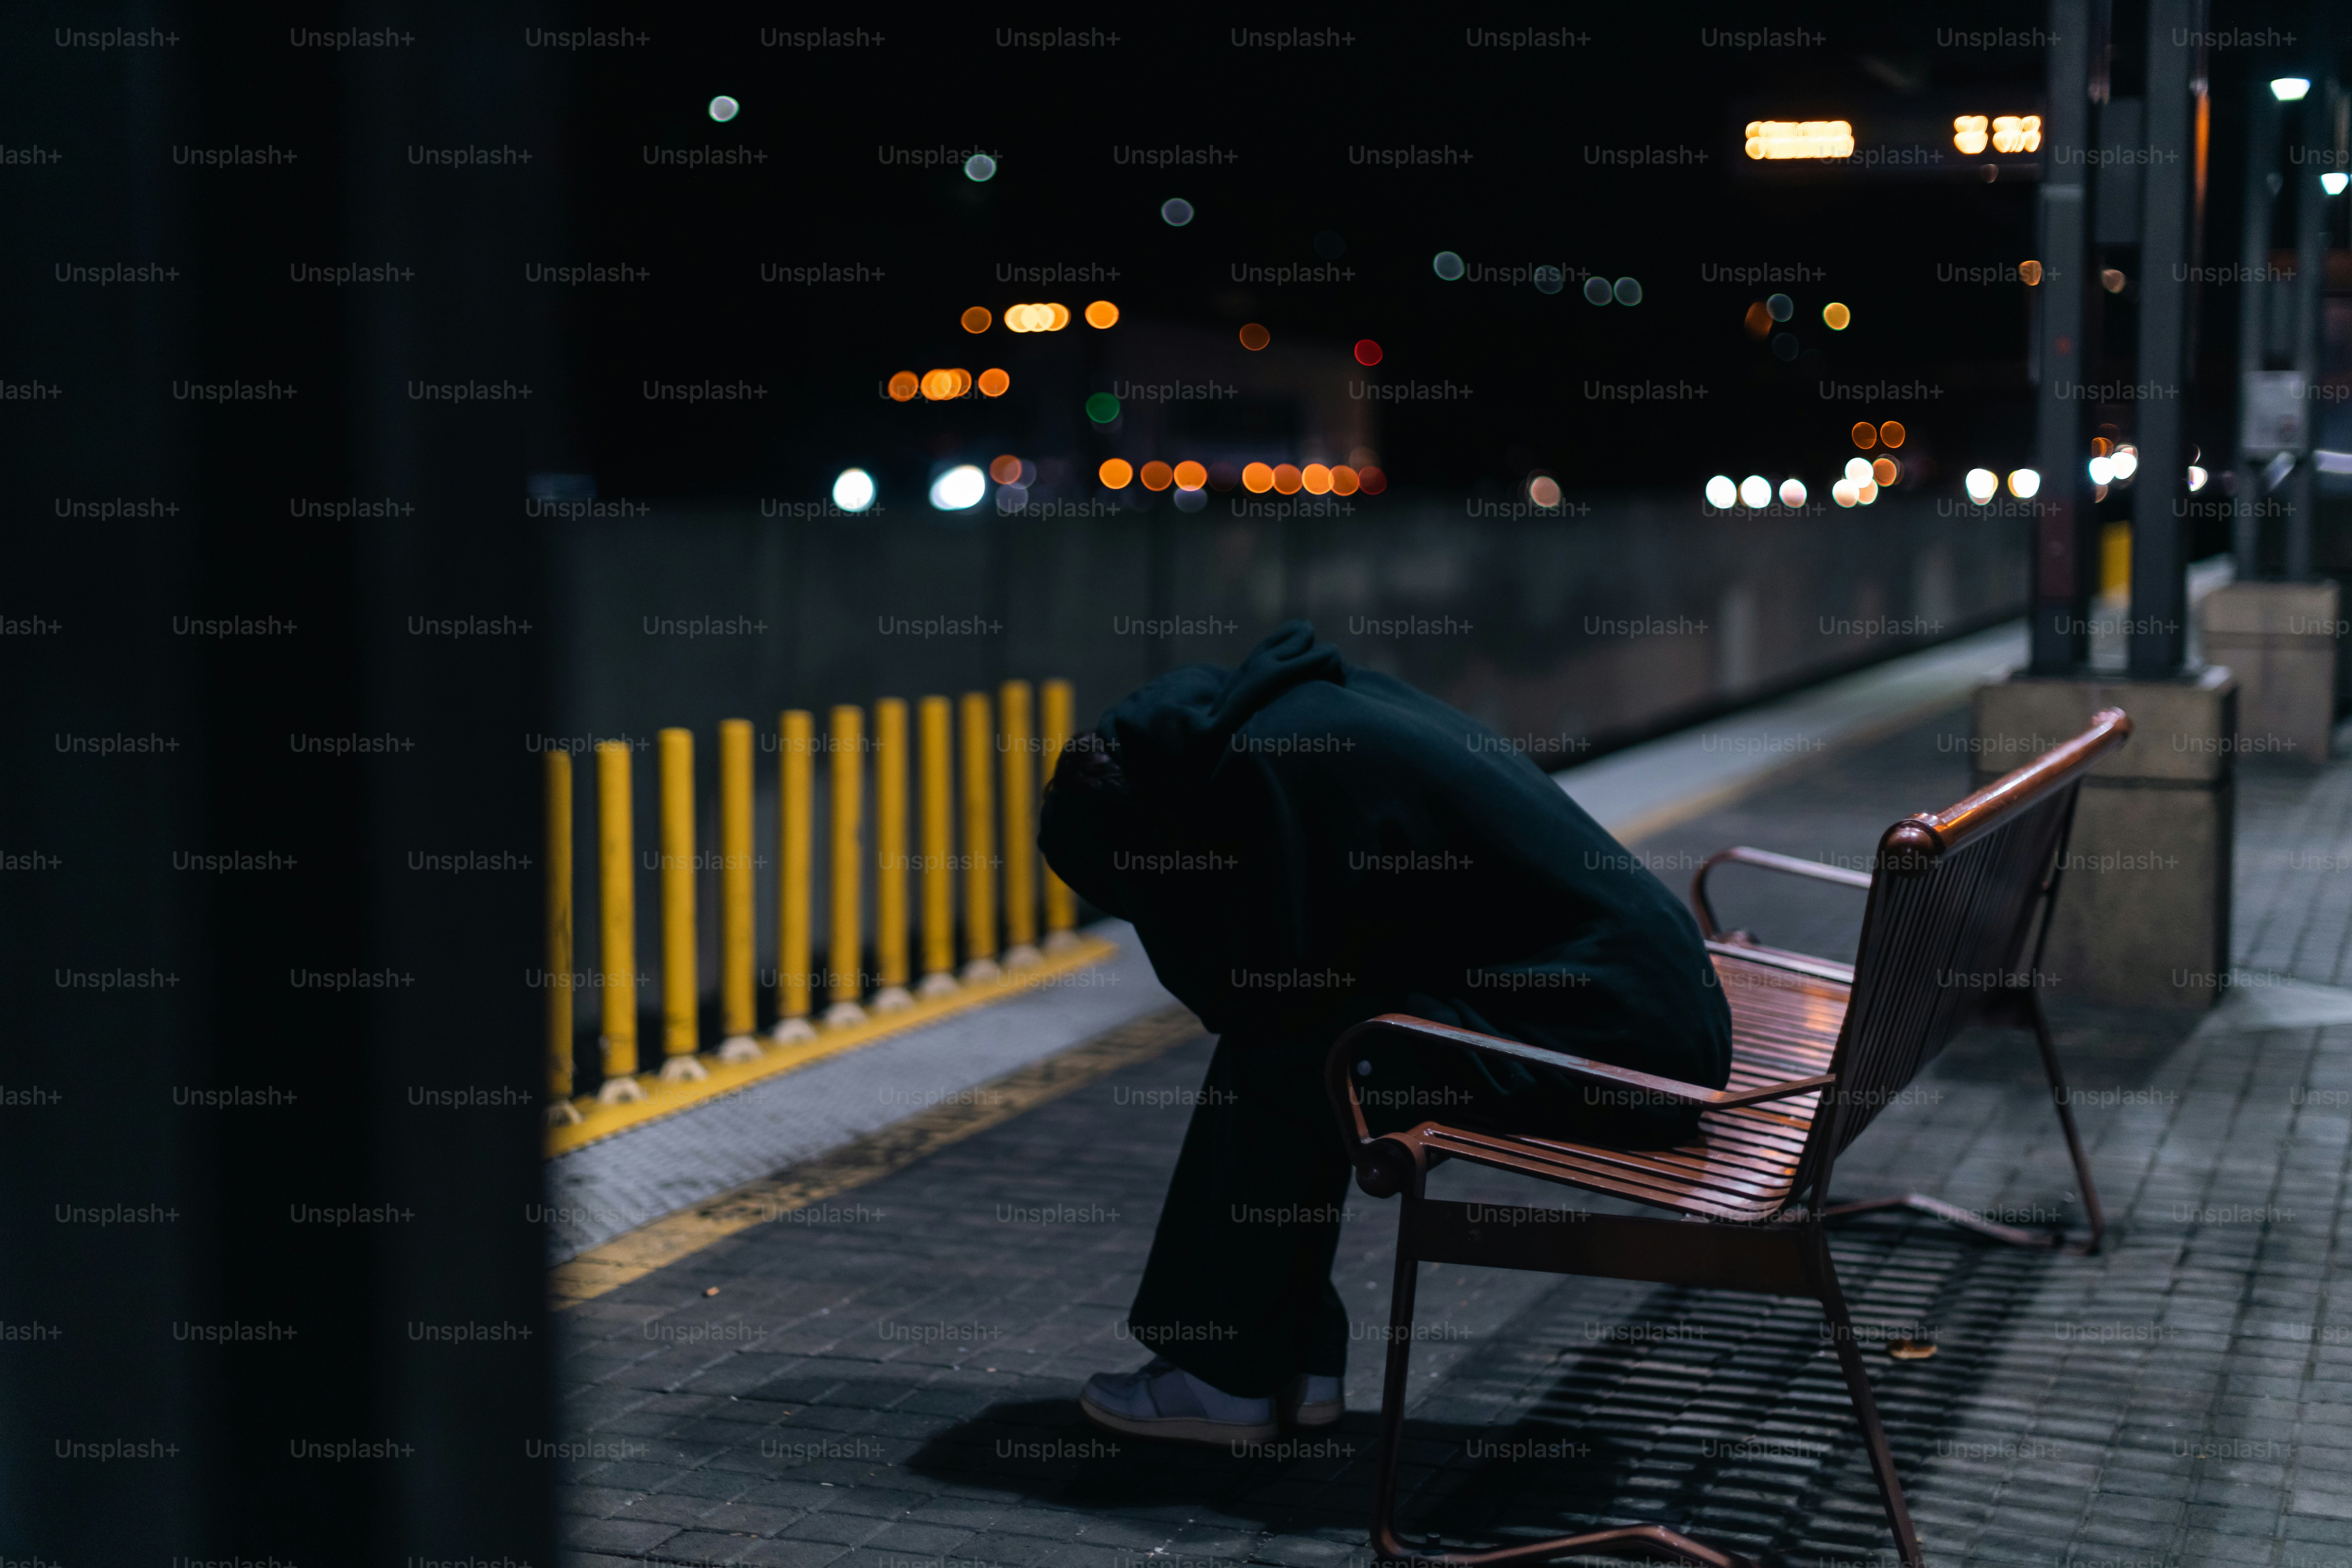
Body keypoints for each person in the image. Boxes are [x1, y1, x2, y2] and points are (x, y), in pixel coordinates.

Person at [1038, 621, 1732, 1446]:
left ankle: (1228, 1377)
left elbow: (1262, 984)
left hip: (1621, 1051)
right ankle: (1288, 1362)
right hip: (1640, 1010)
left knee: (1294, 1055)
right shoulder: (1295, 713)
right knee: (1314, 1046)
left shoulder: (1279, 766)